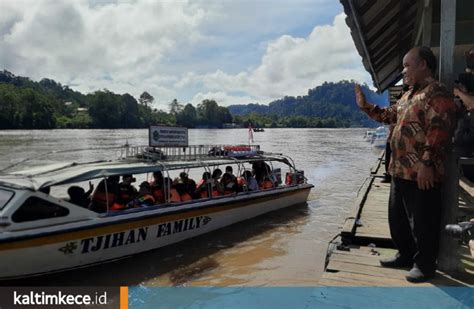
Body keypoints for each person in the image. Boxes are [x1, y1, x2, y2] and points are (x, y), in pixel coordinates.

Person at [355, 46, 457, 283]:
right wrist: (365, 106)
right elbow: (388, 116)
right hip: (399, 170)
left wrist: (428, 163)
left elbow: (439, 129)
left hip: (421, 171)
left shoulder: (437, 93)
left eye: (407, 65)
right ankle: (405, 254)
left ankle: (425, 265)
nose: (403, 71)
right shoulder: (408, 95)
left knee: (423, 221)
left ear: (423, 65)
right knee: (398, 218)